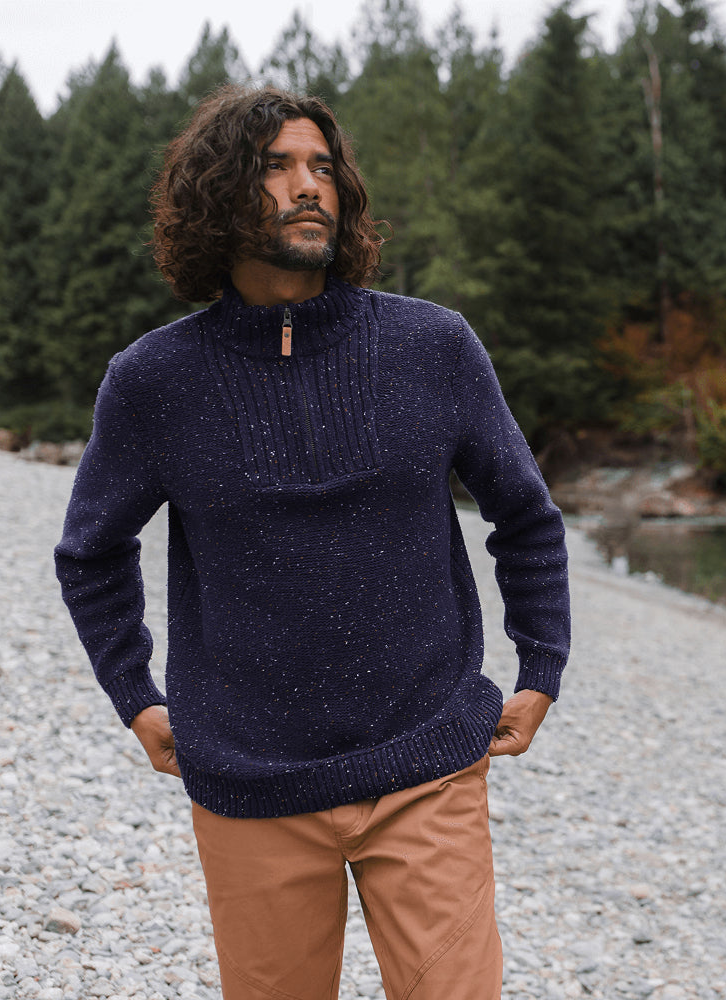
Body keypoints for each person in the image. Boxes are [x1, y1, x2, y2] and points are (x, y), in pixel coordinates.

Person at [54, 84, 570, 1000]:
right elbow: (91, 551)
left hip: (427, 765)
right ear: (218, 193)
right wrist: (134, 694)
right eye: (276, 167)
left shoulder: (434, 346)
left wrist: (541, 667)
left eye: (322, 168)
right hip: (250, 784)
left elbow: (524, 514)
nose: (308, 187)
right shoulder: (152, 381)